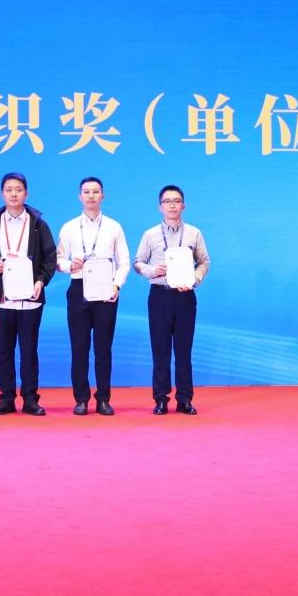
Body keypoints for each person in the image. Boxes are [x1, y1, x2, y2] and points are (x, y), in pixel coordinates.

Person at [0, 171, 57, 415]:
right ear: (2, 194)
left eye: (18, 189)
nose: (13, 194)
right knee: (4, 350)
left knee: (29, 350)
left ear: (26, 194)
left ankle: (30, 399)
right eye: (9, 190)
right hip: (3, 298)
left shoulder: (38, 224)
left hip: (31, 299)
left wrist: (41, 280)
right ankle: (6, 398)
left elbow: (50, 258)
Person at [132, 184, 211, 415]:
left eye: (176, 201)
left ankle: (184, 399)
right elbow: (138, 263)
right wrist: (152, 270)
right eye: (167, 201)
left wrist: (195, 279)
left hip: (185, 296)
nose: (172, 205)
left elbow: (204, 261)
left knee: (184, 350)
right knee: (160, 349)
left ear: (183, 205)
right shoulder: (150, 234)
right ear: (160, 207)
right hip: (160, 296)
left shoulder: (194, 233)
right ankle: (161, 399)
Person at [57, 176, 131, 416]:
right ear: (79, 196)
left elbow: (124, 262)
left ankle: (103, 399)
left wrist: (116, 285)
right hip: (78, 289)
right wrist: (70, 265)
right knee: (79, 348)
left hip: (106, 291)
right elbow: (57, 260)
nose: (91, 196)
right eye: (86, 192)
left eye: (95, 191)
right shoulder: (69, 227)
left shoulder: (114, 227)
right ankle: (81, 399)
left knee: (103, 349)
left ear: (103, 196)